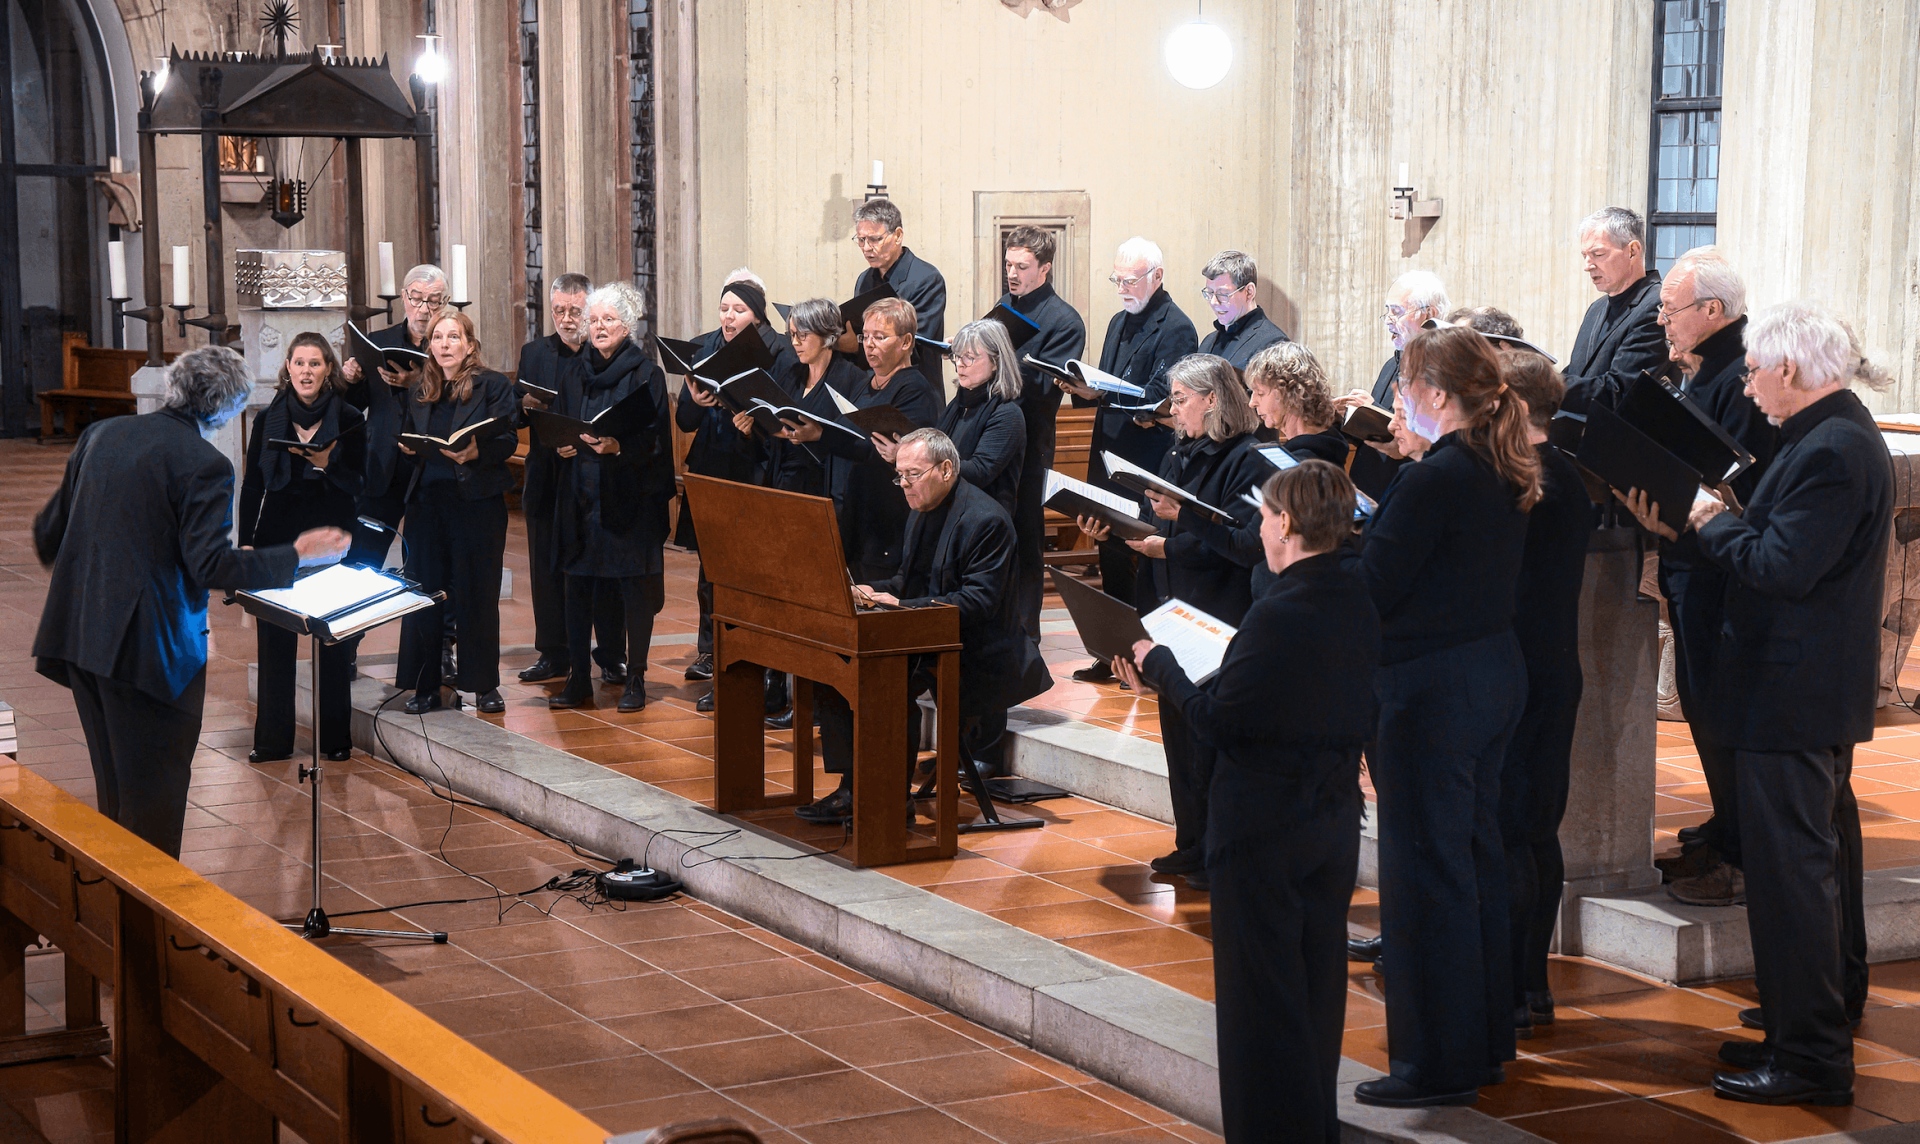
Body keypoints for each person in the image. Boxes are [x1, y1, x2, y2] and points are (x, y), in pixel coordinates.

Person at [1620, 301, 1889, 1108]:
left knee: (1793, 876)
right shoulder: (1826, 437)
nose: (1746, 380)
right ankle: (1813, 1016)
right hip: (1800, 692)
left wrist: (1706, 517)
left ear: (1793, 371)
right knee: (1815, 864)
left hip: (1791, 694)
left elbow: (1780, 566)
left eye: (1757, 369)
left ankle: (1809, 1057)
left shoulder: (1833, 450)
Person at [1116, 460, 1379, 1144]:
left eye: (1263, 516)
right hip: (1330, 821)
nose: (1259, 529)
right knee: (1316, 990)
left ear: (1286, 523)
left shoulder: (1279, 612)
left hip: (1265, 829)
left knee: (1260, 1005)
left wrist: (1160, 665)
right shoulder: (1357, 593)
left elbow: (1220, 724)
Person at [33, 346, 349, 858]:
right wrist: (295, 553)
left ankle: (118, 928)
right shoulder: (204, 463)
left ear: (175, 388)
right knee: (153, 811)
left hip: (82, 638)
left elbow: (49, 535)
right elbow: (211, 569)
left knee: (116, 798)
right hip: (144, 653)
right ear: (225, 409)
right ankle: (151, 933)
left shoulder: (102, 434)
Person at [1351, 325, 1540, 1109]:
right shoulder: (1497, 464)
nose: (1399, 401)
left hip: (1430, 691)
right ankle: (1486, 1042)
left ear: (1433, 395)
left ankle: (1436, 1065)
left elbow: (1374, 586)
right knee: (1473, 864)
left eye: (1404, 388)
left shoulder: (1435, 479)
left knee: (1425, 876)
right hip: (1491, 673)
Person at [1077, 355, 1267, 888]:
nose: (1173, 409)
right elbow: (1149, 524)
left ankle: (1218, 849)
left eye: (1181, 399)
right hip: (1169, 605)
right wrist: (1111, 530)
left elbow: (1243, 546)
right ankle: (1192, 843)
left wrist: (1171, 541)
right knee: (1178, 735)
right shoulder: (1178, 451)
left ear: (1213, 399)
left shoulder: (1247, 460)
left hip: (1217, 611)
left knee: (1208, 738)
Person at [798, 430, 1052, 824]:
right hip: (929, 632)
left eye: (912, 474)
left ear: (946, 469)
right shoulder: (920, 509)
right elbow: (907, 582)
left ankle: (892, 802)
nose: (904, 485)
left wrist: (900, 605)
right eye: (899, 475)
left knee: (888, 679)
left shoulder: (987, 521)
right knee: (839, 666)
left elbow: (978, 604)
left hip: (977, 650)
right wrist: (871, 591)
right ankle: (853, 786)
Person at [1644, 247, 1778, 907]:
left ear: (1713, 311)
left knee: (1719, 708)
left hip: (1720, 570)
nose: (1663, 320)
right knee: (1700, 704)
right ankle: (1727, 830)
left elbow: (1726, 481)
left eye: (1671, 309)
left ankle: (1738, 852)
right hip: (1693, 559)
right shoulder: (1707, 369)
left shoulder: (1736, 377)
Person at [1492, 353, 1595, 1039]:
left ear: (1511, 403)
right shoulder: (1568, 474)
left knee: (1510, 832)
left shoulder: (1523, 480)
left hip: (1517, 669)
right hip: (1553, 667)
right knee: (1534, 830)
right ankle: (1530, 985)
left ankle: (1514, 984)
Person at [1065, 237, 1197, 682]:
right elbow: (1108, 383)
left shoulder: (1176, 326)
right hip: (1107, 455)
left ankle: (1149, 659)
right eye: (1117, 279)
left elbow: (1164, 399)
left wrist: (1114, 396)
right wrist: (1088, 391)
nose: (1122, 287)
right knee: (1109, 552)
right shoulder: (1119, 321)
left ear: (1157, 277)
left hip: (1144, 462)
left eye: (1130, 279)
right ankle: (1114, 654)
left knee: (1143, 557)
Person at [237, 332, 368, 765]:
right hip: (279, 535)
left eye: (315, 363)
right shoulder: (268, 418)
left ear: (328, 369)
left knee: (332, 638)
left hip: (331, 532)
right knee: (274, 640)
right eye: (299, 363)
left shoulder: (350, 417)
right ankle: (273, 740)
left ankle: (335, 739)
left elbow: (359, 484)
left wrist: (326, 464)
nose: (306, 371)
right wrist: (246, 540)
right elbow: (254, 484)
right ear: (287, 368)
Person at [543, 282, 672, 713]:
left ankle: (635, 676)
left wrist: (618, 447)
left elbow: (656, 441)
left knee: (634, 591)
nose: (597, 327)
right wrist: (561, 443)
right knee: (577, 587)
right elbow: (562, 421)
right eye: (593, 320)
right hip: (580, 496)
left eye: (608, 320)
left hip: (627, 497)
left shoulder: (645, 374)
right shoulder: (574, 372)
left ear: (627, 326)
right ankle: (579, 678)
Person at [674, 270, 800, 686]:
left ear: (758, 315)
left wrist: (757, 425)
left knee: (749, 570)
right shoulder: (705, 345)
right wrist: (694, 400)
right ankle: (709, 653)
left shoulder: (780, 352)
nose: (728, 318)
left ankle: (753, 657)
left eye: (739, 310)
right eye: (724, 308)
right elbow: (685, 420)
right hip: (712, 466)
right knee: (710, 567)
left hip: (755, 470)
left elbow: (783, 417)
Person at [393, 309, 518, 714]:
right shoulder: (419, 389)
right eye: (437, 338)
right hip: (428, 505)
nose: (444, 345)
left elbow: (509, 440)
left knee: (478, 595)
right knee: (424, 595)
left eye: (453, 338)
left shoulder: (493, 385)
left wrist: (477, 451)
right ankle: (425, 685)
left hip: (477, 503)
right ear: (429, 346)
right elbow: (412, 443)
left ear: (469, 345)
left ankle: (483, 686)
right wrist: (410, 450)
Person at [515, 272, 620, 687]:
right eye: (558, 310)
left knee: (601, 568)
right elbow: (520, 409)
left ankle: (610, 654)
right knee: (545, 569)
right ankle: (552, 653)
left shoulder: (603, 352)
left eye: (575, 311)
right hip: (546, 474)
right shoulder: (533, 352)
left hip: (592, 477)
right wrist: (524, 406)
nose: (566, 318)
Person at [995, 225, 1087, 636]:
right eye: (1008, 264)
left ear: (1045, 268)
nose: (1012, 274)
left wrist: (992, 363)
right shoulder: (1004, 304)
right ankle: (996, 631)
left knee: (1026, 540)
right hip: (993, 439)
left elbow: (1040, 386)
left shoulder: (1065, 320)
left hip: (1031, 444)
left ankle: (1027, 639)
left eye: (1022, 266)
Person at [824, 297, 940, 583]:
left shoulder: (915, 389)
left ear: (905, 341)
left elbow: (905, 453)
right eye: (865, 336)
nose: (868, 344)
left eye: (880, 337)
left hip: (888, 519)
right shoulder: (865, 381)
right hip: (856, 512)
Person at [1336, 270, 1447, 503]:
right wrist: (1348, 417)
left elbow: (1427, 439)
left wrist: (1371, 408)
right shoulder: (1392, 363)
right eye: (1387, 311)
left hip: (1405, 491)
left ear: (1430, 314)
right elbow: (1379, 432)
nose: (1388, 319)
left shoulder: (1441, 368)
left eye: (1396, 312)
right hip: (1368, 487)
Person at [745, 296, 864, 500]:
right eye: (792, 335)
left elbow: (854, 442)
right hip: (780, 480)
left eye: (803, 335)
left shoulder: (852, 379)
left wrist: (819, 436)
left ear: (827, 335)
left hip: (822, 487)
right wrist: (751, 428)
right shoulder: (791, 373)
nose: (794, 342)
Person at [1560, 206, 1668, 413]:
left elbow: (1620, 390)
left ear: (1632, 251)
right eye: (1584, 255)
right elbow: (1578, 374)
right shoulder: (1597, 308)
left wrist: (1545, 384)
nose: (1588, 265)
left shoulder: (1657, 306)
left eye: (1598, 254)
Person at [844, 198, 946, 376]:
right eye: (861, 240)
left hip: (913, 386)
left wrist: (855, 346)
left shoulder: (926, 279)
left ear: (898, 235)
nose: (866, 248)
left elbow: (915, 347)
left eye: (875, 239)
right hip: (872, 382)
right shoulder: (864, 280)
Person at [1245, 342, 1348, 466]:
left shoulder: (1306, 465)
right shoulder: (1324, 445)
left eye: (1260, 393)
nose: (1252, 403)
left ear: (1290, 394)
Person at [1196, 250, 1289, 368]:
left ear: (1249, 292)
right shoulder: (1208, 341)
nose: (1214, 302)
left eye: (1223, 294)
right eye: (1209, 293)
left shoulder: (1273, 345)